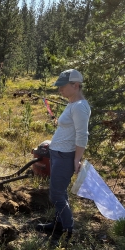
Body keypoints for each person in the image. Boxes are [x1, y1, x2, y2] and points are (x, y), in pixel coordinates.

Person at [36, 69, 91, 237]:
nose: (60, 90)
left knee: (56, 194)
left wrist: (76, 159)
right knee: (60, 191)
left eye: (63, 86)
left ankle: (68, 230)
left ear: (75, 85)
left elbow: (82, 135)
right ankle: (58, 225)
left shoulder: (80, 107)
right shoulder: (72, 103)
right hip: (58, 154)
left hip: (65, 156)